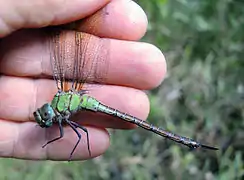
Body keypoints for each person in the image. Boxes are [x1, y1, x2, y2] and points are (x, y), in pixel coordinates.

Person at [0, 0, 166, 160]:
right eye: (45, 116)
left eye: (45, 116)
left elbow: (74, 135)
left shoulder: (59, 110)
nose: (45, 117)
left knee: (82, 134)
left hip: (84, 101)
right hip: (77, 98)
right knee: (83, 133)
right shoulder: (60, 97)